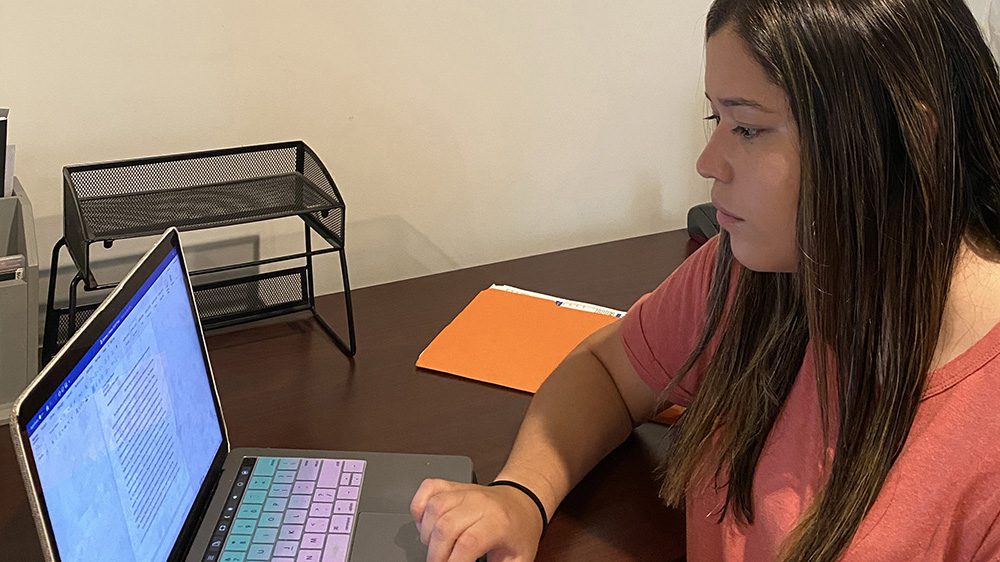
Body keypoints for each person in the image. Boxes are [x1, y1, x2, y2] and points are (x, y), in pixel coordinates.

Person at [410, 0, 1000, 559]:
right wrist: (521, 496)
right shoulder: (752, 273)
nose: (707, 162)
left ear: (906, 135)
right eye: (715, 117)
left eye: (747, 127)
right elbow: (607, 371)